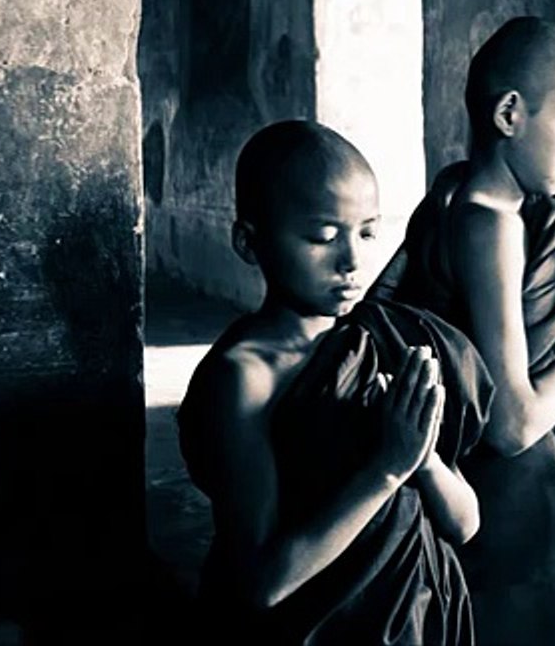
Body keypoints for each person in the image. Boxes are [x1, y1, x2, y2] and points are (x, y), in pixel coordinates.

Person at [371, 16, 555, 645]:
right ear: (510, 113)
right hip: (529, 519)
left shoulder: (462, 198)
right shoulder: (490, 223)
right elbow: (512, 424)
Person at [177, 120, 488, 644]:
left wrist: (422, 457)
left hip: (415, 618)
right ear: (249, 242)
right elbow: (262, 583)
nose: (352, 261)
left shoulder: (382, 345)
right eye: (323, 237)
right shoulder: (243, 378)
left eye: (367, 232)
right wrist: (386, 471)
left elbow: (463, 525)